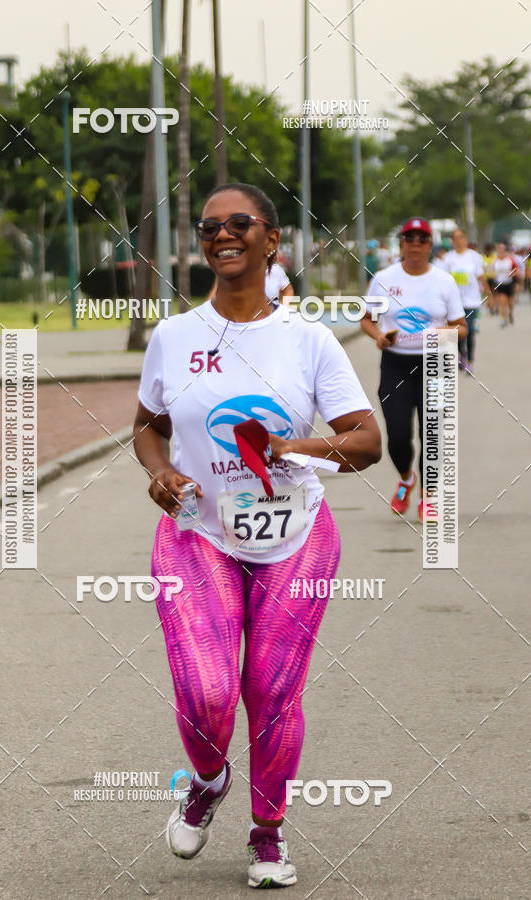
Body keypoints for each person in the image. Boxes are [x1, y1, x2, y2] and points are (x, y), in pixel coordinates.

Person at [133, 182, 381, 889]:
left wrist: (289, 448)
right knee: (208, 689)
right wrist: (158, 474)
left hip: (296, 536)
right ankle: (208, 780)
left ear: (272, 240)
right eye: (209, 226)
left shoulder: (308, 343)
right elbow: (147, 426)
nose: (223, 234)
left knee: (273, 692)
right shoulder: (174, 336)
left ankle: (267, 837)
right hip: (198, 536)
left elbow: (366, 442)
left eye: (240, 223)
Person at [360, 217, 466, 521]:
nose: (416, 244)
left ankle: (429, 495)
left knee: (431, 435)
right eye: (410, 239)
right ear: (401, 245)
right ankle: (407, 478)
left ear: (431, 245)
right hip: (395, 364)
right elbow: (366, 319)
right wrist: (379, 336)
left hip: (435, 364)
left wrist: (438, 333)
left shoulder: (443, 281)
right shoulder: (382, 278)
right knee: (397, 435)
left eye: (422, 239)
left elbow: (461, 329)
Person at [441, 227, 490, 374]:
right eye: (456, 238)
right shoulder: (448, 258)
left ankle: (469, 361)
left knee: (468, 331)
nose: (459, 240)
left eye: (461, 237)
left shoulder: (474, 256)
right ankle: (461, 354)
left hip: (472, 301)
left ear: (465, 239)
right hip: (454, 302)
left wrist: (489, 295)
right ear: (452, 241)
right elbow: (443, 279)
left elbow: (481, 276)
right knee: (456, 332)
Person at [207, 260, 294, 303]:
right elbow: (214, 296)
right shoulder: (231, 269)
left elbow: (288, 291)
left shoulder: (276, 270)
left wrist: (287, 316)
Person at [493, 242, 518, 327]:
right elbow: (492, 271)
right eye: (498, 249)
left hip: (509, 284)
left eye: (502, 249)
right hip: (500, 284)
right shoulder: (495, 260)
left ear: (505, 250)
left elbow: (517, 270)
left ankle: (510, 313)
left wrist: (512, 274)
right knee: (503, 302)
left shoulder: (510, 260)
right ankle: (503, 319)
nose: (500, 251)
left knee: (510, 303)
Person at [482, 243, 497, 314]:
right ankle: (491, 306)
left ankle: (494, 306)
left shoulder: (494, 257)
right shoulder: (482, 258)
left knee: (494, 293)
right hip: (486, 279)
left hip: (493, 278)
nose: (488, 252)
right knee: (488, 293)